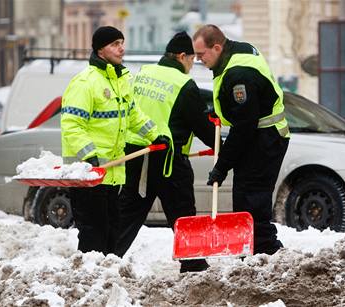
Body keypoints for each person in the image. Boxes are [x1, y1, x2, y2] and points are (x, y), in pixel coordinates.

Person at [115, 31, 216, 273]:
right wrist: (219, 140)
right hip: (169, 160)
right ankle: (194, 265)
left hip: (137, 156)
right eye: (192, 60)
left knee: (127, 213)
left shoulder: (144, 74)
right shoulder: (184, 84)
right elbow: (200, 125)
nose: (192, 65)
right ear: (182, 56)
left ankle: (107, 256)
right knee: (183, 214)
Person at [61, 26, 167, 255]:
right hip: (89, 176)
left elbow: (133, 115)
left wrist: (154, 135)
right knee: (93, 235)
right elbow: (72, 125)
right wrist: (89, 156)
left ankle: (106, 281)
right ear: (100, 50)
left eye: (122, 42)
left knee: (112, 234)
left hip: (113, 175)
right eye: (114, 44)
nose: (121, 48)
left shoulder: (120, 81)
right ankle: (89, 282)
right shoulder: (85, 83)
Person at [192, 25, 290, 255]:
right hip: (259, 135)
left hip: (264, 138)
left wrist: (221, 167)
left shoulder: (239, 75)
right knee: (245, 196)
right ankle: (251, 251)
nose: (198, 60)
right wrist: (223, 110)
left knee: (253, 197)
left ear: (217, 47)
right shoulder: (239, 51)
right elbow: (246, 106)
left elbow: (244, 125)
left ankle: (266, 252)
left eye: (201, 54)